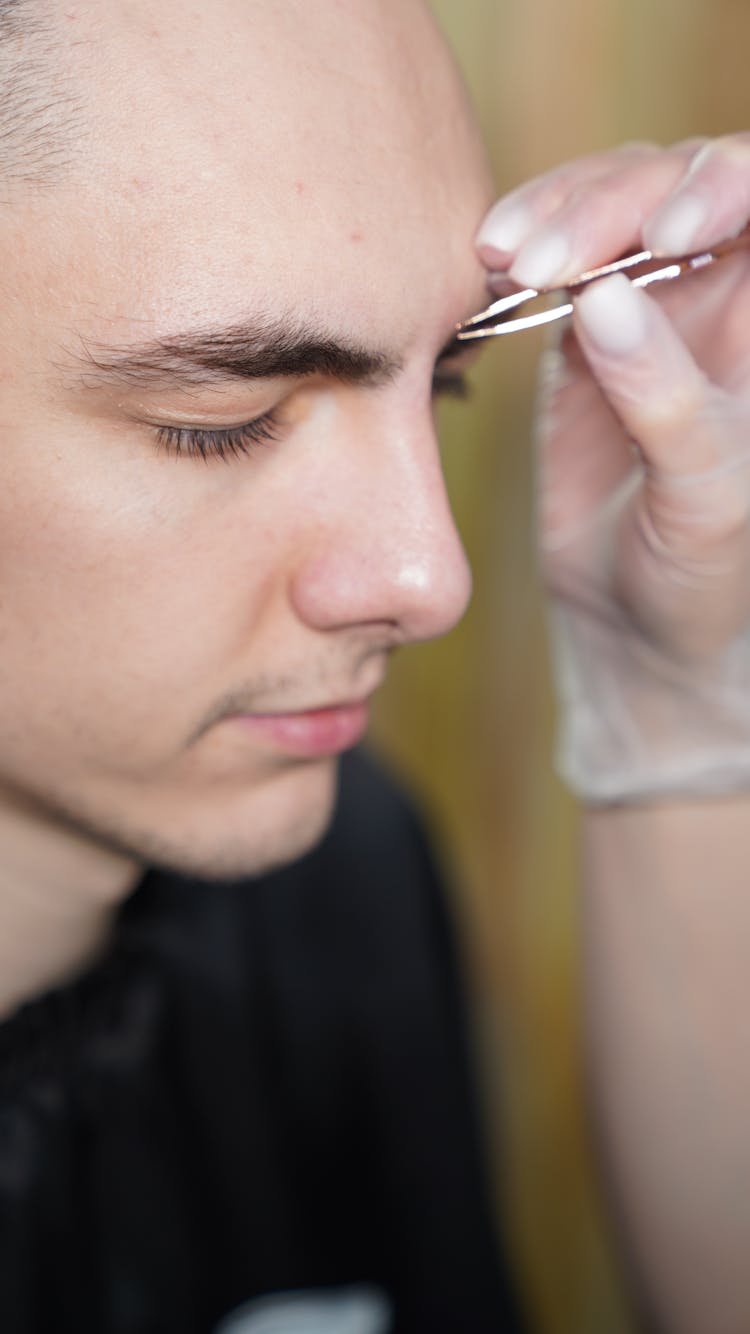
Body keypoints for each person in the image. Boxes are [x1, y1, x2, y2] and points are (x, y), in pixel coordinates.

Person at [0, 1, 747, 1331]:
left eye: (444, 382)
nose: (431, 580)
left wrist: (673, 722)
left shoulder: (340, 886)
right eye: (215, 426)